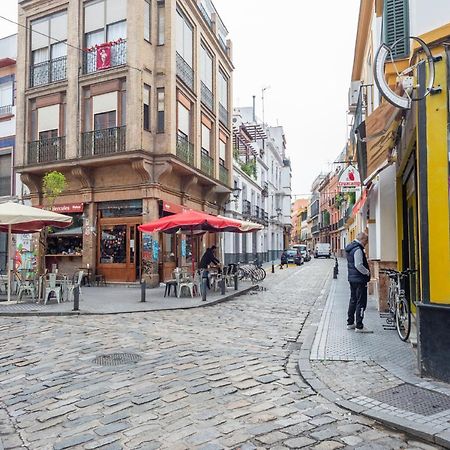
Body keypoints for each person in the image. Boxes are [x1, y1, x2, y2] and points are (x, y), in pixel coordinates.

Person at [345, 232, 373, 333]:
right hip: (359, 279)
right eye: (366, 241)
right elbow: (358, 265)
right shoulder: (358, 249)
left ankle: (350, 323)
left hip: (352, 278)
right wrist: (367, 272)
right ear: (363, 240)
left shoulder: (351, 248)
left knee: (353, 300)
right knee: (361, 302)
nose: (366, 244)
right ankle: (359, 326)